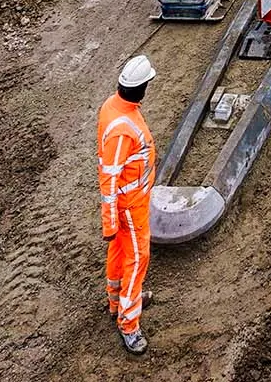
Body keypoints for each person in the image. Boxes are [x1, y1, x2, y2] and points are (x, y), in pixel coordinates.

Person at [99, 55, 157, 355]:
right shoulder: (124, 127)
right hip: (130, 206)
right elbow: (108, 178)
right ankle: (129, 324)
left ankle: (116, 300)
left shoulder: (114, 106)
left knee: (119, 251)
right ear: (141, 88)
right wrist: (109, 222)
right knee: (137, 260)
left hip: (129, 203)